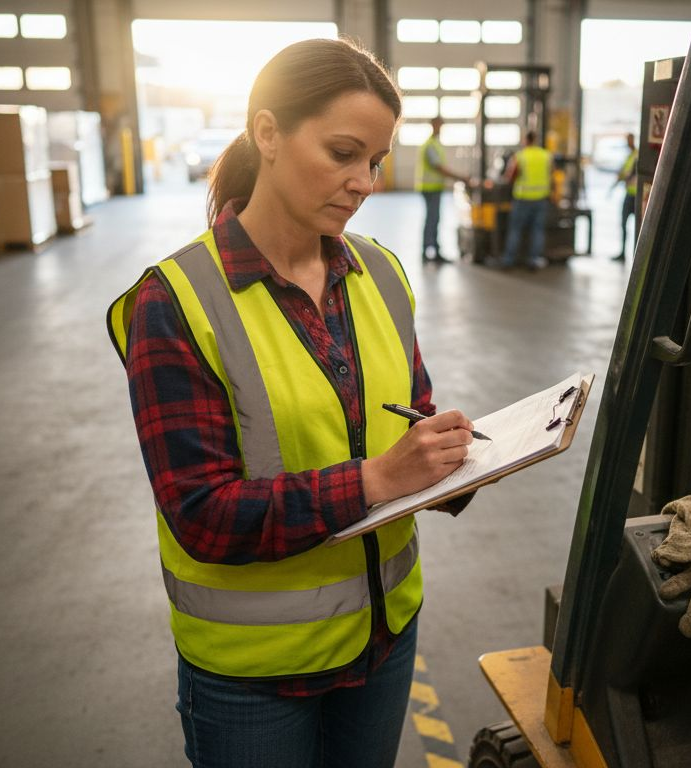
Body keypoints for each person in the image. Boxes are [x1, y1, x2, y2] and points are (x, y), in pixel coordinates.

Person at [106, 38, 477, 768]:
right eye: (342, 153)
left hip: (383, 638)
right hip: (256, 677)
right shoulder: (176, 301)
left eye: (373, 161)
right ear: (267, 133)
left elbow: (412, 413)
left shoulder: (382, 273)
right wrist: (377, 479)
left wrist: (449, 459)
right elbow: (202, 515)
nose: (364, 182)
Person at [415, 116, 469, 263]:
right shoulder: (431, 145)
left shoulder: (435, 143)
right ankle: (428, 251)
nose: (441, 129)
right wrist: (460, 177)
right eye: (440, 126)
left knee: (435, 218)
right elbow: (439, 167)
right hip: (430, 188)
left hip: (434, 188)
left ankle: (434, 250)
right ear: (434, 125)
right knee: (432, 219)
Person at [499, 130, 553, 270]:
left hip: (522, 198)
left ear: (525, 140)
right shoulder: (546, 155)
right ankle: (533, 260)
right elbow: (552, 175)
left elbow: (510, 177)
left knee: (515, 229)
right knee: (537, 230)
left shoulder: (520, 156)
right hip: (541, 198)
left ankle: (508, 261)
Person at [613, 133, 638, 261]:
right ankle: (623, 252)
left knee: (637, 225)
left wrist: (622, 176)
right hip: (629, 193)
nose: (627, 143)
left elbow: (628, 173)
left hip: (635, 195)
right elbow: (624, 171)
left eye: (629, 140)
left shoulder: (637, 155)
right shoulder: (630, 156)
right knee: (624, 223)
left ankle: (636, 253)